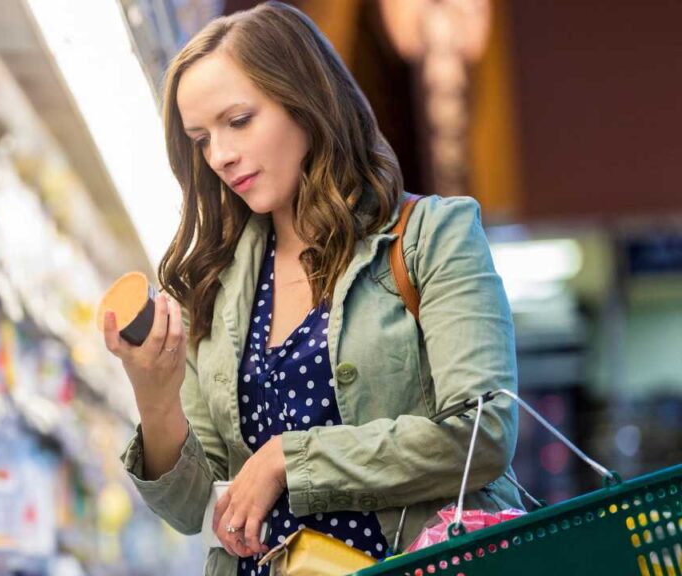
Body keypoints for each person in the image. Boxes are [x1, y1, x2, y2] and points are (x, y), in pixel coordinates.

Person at [102, 3, 523, 575]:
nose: (220, 156)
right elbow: (188, 506)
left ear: (305, 101)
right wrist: (153, 394)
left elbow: (484, 430)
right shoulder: (216, 285)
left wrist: (288, 461)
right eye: (201, 139)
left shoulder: (432, 237)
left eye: (239, 120)